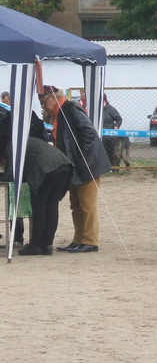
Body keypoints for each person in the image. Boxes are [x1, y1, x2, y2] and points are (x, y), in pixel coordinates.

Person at [39, 85, 111, 253]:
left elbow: (88, 131)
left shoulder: (71, 108)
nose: (43, 107)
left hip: (86, 165)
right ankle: (78, 239)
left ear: (53, 98)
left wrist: (82, 157)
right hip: (74, 165)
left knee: (87, 204)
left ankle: (90, 240)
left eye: (44, 103)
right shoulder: (60, 113)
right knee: (76, 205)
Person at [0, 136, 72, 256]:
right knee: (52, 206)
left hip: (46, 170)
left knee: (39, 207)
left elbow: (12, 173)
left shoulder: (12, 147)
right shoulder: (25, 140)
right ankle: (47, 245)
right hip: (63, 166)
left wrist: (2, 177)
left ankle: (35, 245)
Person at [101, 93, 129, 167]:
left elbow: (119, 119)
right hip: (99, 134)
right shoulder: (96, 109)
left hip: (109, 134)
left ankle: (113, 166)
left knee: (112, 151)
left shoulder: (110, 109)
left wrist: (116, 127)